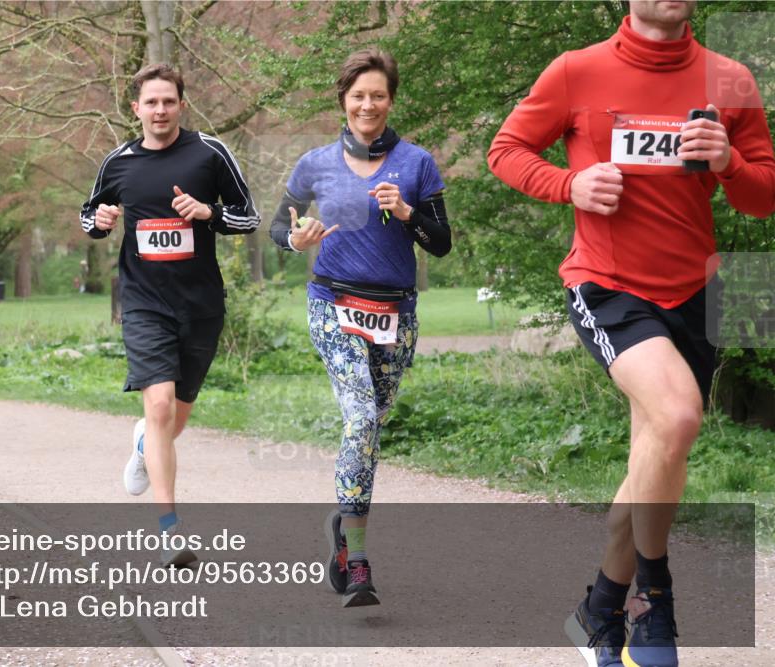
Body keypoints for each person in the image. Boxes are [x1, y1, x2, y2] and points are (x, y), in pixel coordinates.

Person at [487, 2, 775, 665]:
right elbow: (505, 150)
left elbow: (763, 197)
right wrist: (569, 183)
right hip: (608, 283)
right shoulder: (576, 70)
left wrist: (729, 160)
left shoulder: (730, 79)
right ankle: (653, 599)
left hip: (695, 292)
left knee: (656, 451)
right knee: (678, 416)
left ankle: (599, 610)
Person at [270, 49, 452, 607]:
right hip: (333, 304)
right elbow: (279, 228)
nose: (367, 105)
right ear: (343, 101)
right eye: (358, 96)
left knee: (370, 430)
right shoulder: (316, 163)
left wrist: (408, 214)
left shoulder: (417, 163)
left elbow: (441, 243)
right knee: (362, 418)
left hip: (396, 313)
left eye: (377, 95)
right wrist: (294, 239)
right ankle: (358, 559)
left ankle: (344, 528)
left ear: (390, 100)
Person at [79, 63, 260, 566]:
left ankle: (143, 448)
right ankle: (169, 531)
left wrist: (209, 213)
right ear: (135, 108)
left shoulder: (210, 153)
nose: (160, 110)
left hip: (200, 306)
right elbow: (89, 215)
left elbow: (249, 216)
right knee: (157, 407)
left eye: (168, 101)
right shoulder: (118, 163)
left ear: (182, 104)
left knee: (172, 420)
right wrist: (101, 220)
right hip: (143, 302)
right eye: (151, 102)